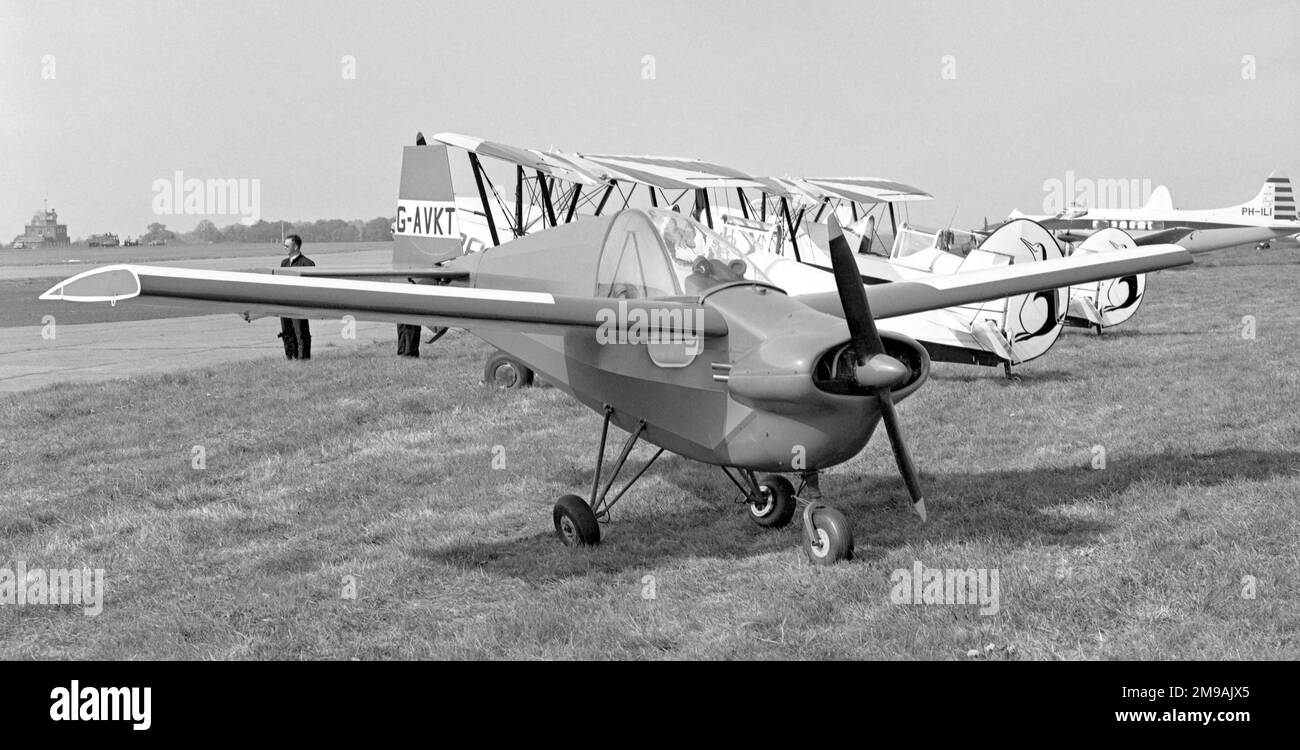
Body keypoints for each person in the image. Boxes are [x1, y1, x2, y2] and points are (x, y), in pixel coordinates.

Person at [278, 235, 314, 360]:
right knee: (287, 333)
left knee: (301, 333)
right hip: (285, 304)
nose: (284, 248)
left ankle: (303, 359)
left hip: (299, 305)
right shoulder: (284, 263)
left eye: (287, 246)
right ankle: (290, 358)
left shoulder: (307, 263)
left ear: (296, 246)